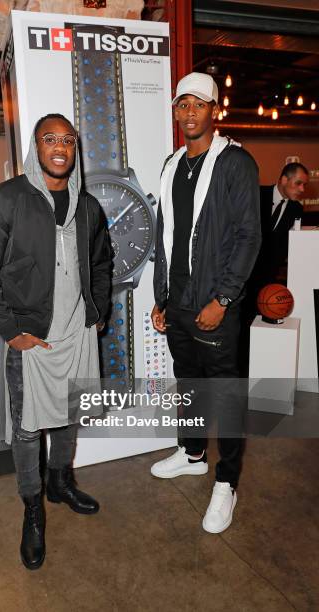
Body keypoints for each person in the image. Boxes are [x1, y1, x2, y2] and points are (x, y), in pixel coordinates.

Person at [0, 113, 111, 569]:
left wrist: (97, 313)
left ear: (76, 149)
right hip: (32, 339)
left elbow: (103, 263)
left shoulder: (88, 206)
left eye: (68, 140)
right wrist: (13, 332)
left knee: (70, 415)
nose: (60, 147)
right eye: (50, 138)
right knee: (28, 429)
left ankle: (59, 483)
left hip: (77, 333)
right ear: (36, 146)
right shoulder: (5, 200)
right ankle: (33, 509)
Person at [150, 72, 261, 533]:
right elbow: (166, 237)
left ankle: (227, 482)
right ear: (175, 111)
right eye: (182, 104)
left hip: (216, 305)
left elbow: (247, 237)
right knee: (188, 382)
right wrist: (161, 297)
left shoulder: (236, 163)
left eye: (199, 104)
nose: (190, 112)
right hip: (178, 304)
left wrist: (224, 298)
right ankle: (193, 453)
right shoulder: (172, 163)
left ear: (214, 110)